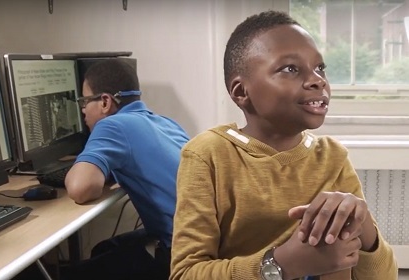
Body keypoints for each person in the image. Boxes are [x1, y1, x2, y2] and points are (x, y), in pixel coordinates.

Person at [169, 10, 398, 280]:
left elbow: (384, 276)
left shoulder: (332, 156)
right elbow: (185, 274)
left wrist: (364, 228)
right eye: (290, 69)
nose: (318, 80)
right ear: (242, 92)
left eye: (320, 67)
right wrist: (281, 264)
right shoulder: (208, 154)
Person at [64, 59, 189, 279]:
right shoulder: (165, 123)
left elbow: (80, 188)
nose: (83, 110)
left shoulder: (112, 125)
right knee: (105, 249)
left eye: (84, 101)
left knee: (73, 274)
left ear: (105, 102)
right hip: (204, 242)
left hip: (180, 255)